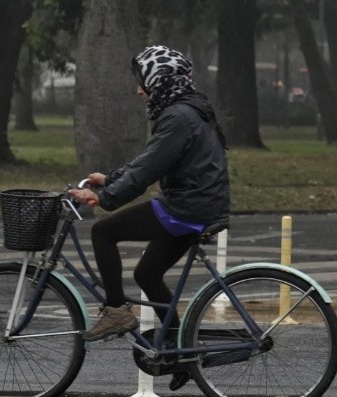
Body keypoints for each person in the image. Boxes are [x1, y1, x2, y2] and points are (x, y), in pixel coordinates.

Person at [67, 45, 229, 344]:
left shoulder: (178, 117)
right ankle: (178, 350)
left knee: (103, 231)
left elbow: (147, 170)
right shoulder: (188, 110)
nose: (140, 91)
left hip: (186, 207)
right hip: (197, 204)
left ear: (160, 81)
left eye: (144, 83)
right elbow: (150, 160)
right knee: (147, 274)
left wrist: (104, 198)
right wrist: (111, 179)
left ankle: (116, 311)